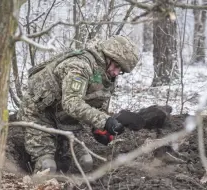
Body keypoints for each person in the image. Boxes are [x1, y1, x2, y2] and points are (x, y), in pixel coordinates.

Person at [19, 35, 140, 173]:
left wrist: (99, 130)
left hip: (67, 120)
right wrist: (104, 121)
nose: (116, 72)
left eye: (121, 70)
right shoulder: (79, 66)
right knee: (47, 166)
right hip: (39, 115)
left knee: (85, 162)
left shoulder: (108, 76)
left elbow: (98, 106)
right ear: (107, 56)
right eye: (116, 66)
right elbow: (72, 103)